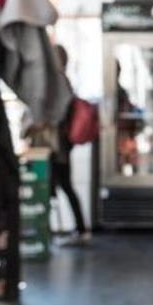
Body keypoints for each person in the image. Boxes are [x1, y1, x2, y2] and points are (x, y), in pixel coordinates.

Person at [52, 45, 90, 246]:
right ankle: (78, 228)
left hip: (58, 145)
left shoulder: (56, 81)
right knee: (64, 186)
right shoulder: (63, 80)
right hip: (62, 145)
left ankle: (79, 228)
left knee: (62, 186)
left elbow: (57, 115)